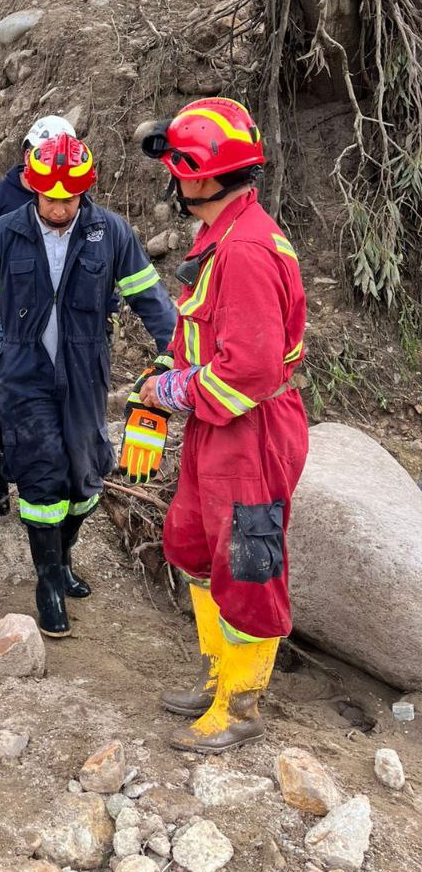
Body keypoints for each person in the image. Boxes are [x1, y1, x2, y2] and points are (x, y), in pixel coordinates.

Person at [135, 97, 307, 753]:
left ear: (203, 177)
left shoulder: (245, 250)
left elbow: (253, 371)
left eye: (179, 166)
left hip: (251, 430)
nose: (173, 179)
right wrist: (172, 367)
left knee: (247, 562)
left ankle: (241, 702)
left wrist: (172, 388)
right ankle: (217, 673)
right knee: (192, 543)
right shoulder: (225, 234)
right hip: (219, 426)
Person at [0, 133, 176, 638]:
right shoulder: (6, 231)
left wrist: (174, 358)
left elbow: (151, 299)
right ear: (33, 188)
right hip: (23, 372)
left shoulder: (111, 233)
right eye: (50, 197)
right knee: (43, 477)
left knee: (85, 480)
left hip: (85, 372)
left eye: (69, 198)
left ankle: (61, 560)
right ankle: (48, 585)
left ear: (85, 190)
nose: (59, 207)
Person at [0, 114, 76, 517]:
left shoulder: (72, 202)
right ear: (26, 153)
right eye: (41, 153)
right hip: (2, 315)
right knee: (4, 390)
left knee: (46, 393)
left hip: (51, 318)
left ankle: (36, 473)